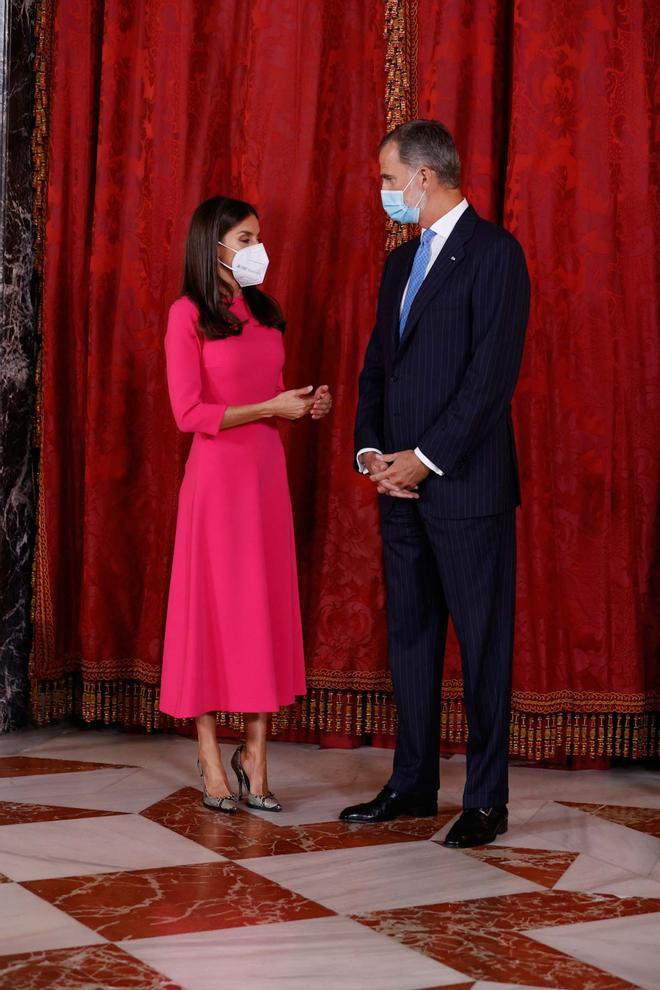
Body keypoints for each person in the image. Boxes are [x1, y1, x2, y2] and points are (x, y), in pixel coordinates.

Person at [341, 120, 530, 848]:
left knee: (483, 646)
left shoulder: (496, 255)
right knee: (412, 640)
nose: (384, 192)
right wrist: (371, 454)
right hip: (397, 488)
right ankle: (413, 783)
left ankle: (486, 800)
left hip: (466, 489)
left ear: (425, 177)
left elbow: (490, 381)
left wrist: (424, 457)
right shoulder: (398, 264)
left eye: (389, 179)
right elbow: (376, 369)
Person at [160, 196, 332, 814]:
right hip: (215, 482)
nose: (257, 247)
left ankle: (256, 755)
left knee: (259, 605)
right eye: (246, 236)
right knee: (210, 608)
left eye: (259, 235)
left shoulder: (265, 312)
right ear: (214, 246)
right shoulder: (187, 315)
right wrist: (269, 409)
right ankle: (210, 755)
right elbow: (189, 413)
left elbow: (269, 396)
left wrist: (303, 406)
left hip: (264, 476)